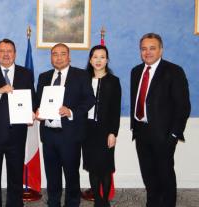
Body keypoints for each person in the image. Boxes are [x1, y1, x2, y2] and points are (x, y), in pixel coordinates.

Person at [130, 33, 191, 207]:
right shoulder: (135, 71)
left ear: (161, 50)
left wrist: (173, 135)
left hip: (164, 135)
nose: (147, 52)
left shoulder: (174, 71)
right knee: (148, 176)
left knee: (165, 177)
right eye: (143, 49)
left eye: (152, 48)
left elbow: (183, 107)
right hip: (141, 132)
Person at [0, 38, 36, 207]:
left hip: (17, 135)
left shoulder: (26, 73)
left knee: (16, 177)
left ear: (15, 54)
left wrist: (33, 110)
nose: (6, 54)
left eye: (9, 51)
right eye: (2, 51)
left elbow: (33, 98)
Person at [36, 43, 95, 207]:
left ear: (69, 57)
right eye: (55, 54)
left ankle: (72, 203)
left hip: (70, 135)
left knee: (71, 176)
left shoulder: (81, 75)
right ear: (51, 57)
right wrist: (36, 111)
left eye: (63, 54)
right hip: (48, 135)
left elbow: (90, 99)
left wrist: (71, 111)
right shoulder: (44, 76)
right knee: (52, 176)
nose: (59, 57)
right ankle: (53, 203)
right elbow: (37, 101)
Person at [82, 45, 121, 207]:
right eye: (95, 57)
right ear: (90, 60)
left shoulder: (113, 81)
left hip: (105, 130)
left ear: (107, 60)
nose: (98, 60)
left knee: (105, 167)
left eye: (102, 57)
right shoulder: (83, 79)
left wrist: (113, 133)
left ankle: (105, 201)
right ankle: (97, 199)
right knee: (92, 167)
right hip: (87, 130)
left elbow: (115, 109)